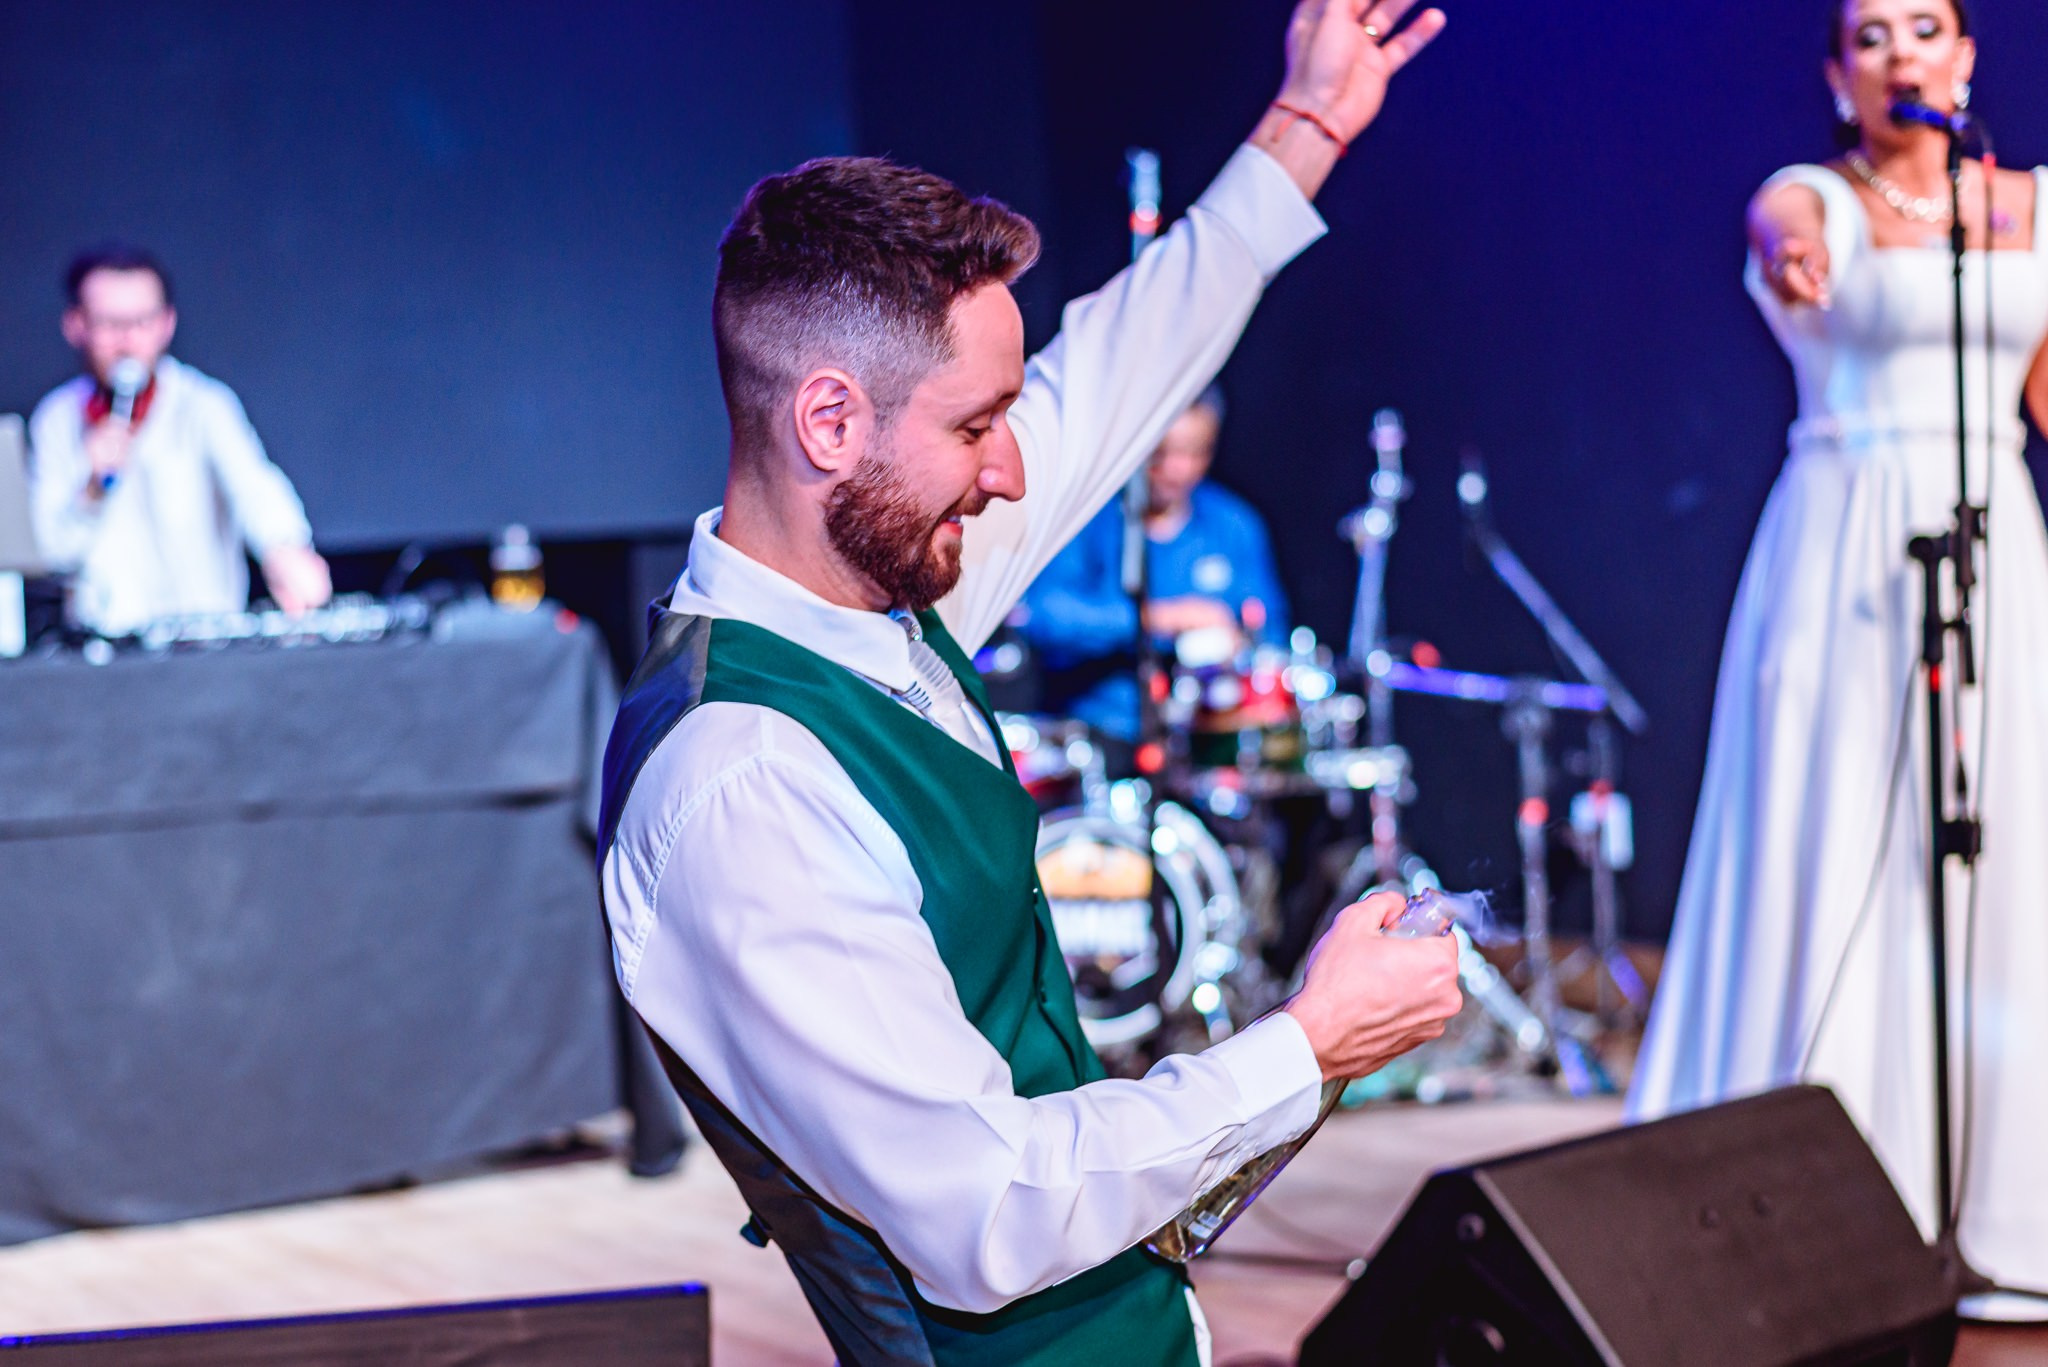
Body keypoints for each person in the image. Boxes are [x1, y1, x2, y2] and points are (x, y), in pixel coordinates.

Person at [595, 3, 1457, 1362]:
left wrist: (1301, 129)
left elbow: (1112, 373)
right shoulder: (740, 781)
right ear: (830, 419)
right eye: (977, 423)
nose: (1010, 468)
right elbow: (985, 1209)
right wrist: (1310, 1041)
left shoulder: (877, 594)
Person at [1628, 0, 2048, 1299]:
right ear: (1836, 73)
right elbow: (1785, 234)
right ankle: (1821, 1209)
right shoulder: (1810, 193)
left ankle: (2002, 1194)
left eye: (1924, 27)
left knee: (1998, 843)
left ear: (1964, 56)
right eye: (1870, 35)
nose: (1899, 53)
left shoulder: (2031, 204)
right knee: (1835, 834)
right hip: (1847, 546)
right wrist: (1796, 253)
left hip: (1995, 540)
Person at [27, 243, 331, 635]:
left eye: (142, 321)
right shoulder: (57, 419)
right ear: (76, 326)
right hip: (104, 646)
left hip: (204, 637)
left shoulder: (203, 404)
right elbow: (49, 553)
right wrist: (91, 490)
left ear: (167, 323)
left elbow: (254, 486)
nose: (127, 341)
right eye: (109, 323)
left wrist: (285, 548)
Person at [1017, 384, 1292, 745]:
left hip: (1204, 739)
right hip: (1097, 733)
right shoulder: (1090, 518)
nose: (1178, 469)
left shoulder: (1233, 524)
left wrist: (1238, 647)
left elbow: (1270, 631)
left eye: (1196, 452)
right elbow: (1042, 615)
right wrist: (1158, 619)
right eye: (1162, 453)